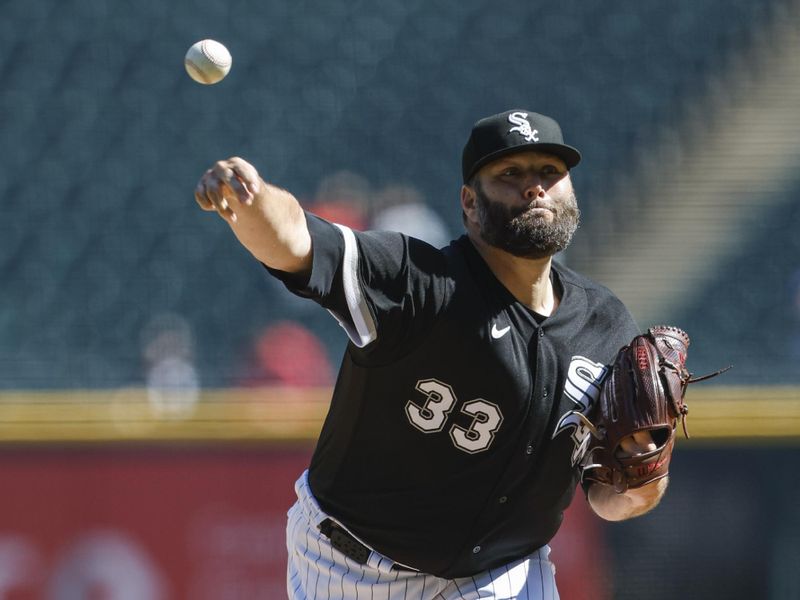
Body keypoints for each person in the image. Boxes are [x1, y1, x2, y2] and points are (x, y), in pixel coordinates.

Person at [194, 109, 663, 599]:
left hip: (501, 572)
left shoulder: (606, 326)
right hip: (352, 566)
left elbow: (610, 499)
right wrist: (251, 199)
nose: (535, 188)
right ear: (470, 203)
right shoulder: (418, 282)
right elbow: (299, 242)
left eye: (550, 172)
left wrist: (645, 482)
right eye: (510, 174)